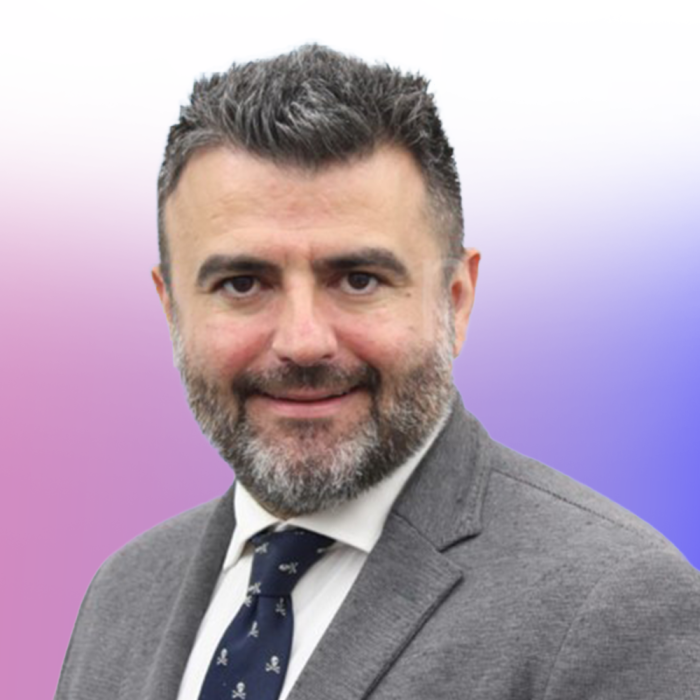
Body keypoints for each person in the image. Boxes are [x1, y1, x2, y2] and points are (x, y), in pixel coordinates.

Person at [55, 44, 700, 700]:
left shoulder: (612, 608)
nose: (303, 342)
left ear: (456, 300)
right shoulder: (122, 594)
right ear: (171, 308)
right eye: (243, 283)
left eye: (359, 279)